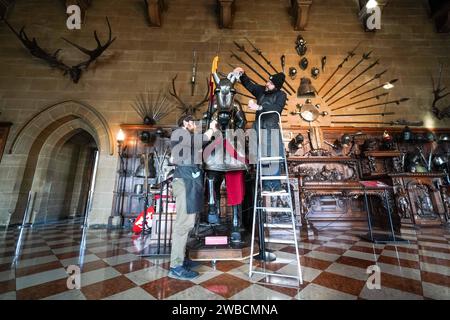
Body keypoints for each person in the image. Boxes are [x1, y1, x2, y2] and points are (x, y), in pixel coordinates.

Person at [169, 114, 217, 280]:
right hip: (184, 183)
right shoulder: (179, 134)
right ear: (185, 123)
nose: (195, 125)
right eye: (193, 123)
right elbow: (200, 140)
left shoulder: (186, 138)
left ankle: (181, 259)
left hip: (189, 182)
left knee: (188, 223)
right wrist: (211, 128)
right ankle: (176, 266)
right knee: (183, 225)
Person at [233, 67, 287, 192]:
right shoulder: (262, 91)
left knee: (273, 157)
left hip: (271, 129)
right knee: (261, 156)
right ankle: (267, 186)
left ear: (277, 87)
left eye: (271, 83)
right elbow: (250, 85)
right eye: (268, 81)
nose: (267, 83)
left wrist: (259, 107)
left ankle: (276, 186)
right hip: (258, 128)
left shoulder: (281, 95)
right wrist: (242, 74)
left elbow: (277, 108)